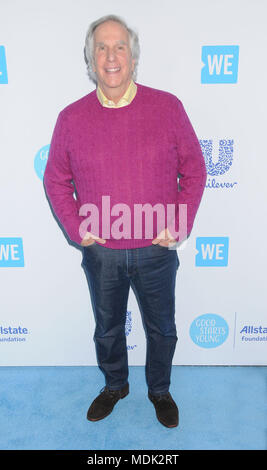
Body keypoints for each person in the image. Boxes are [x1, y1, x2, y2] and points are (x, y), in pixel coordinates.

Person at [43, 14, 207, 428]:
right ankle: (115, 385)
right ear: (90, 59)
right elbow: (56, 180)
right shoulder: (71, 118)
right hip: (102, 253)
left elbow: (195, 169)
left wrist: (180, 221)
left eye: (119, 47)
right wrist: (78, 229)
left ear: (133, 58)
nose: (110, 56)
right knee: (107, 330)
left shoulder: (167, 107)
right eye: (101, 47)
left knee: (162, 330)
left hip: (156, 247)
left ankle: (160, 390)